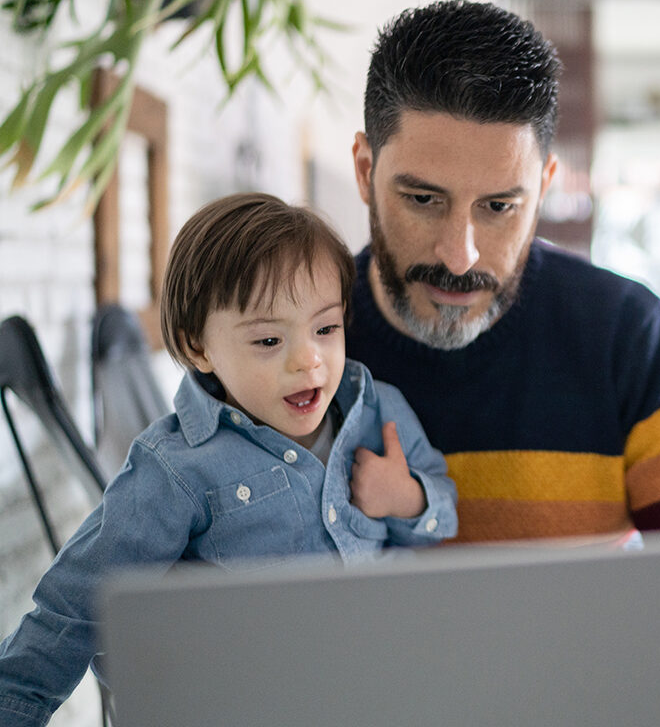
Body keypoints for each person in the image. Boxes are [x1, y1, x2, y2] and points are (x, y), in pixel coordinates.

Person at [0, 192, 457, 727]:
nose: (308, 359)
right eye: (268, 339)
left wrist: (407, 497)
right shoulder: (176, 469)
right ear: (199, 347)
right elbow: (72, 608)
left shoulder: (378, 413)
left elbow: (442, 514)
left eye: (326, 329)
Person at [345, 0, 660, 545]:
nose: (459, 256)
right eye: (423, 199)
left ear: (543, 187)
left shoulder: (626, 333)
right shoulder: (288, 341)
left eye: (498, 207)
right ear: (365, 170)